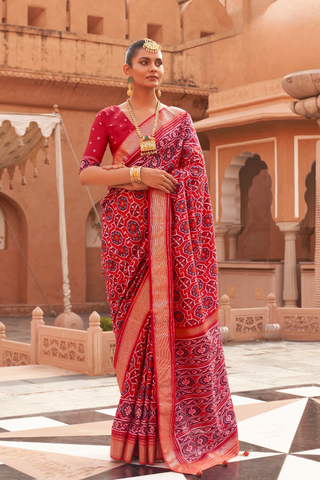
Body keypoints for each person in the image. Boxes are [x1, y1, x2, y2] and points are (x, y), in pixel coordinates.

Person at [79, 38, 239, 475]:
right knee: (135, 334)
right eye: (145, 62)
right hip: (124, 239)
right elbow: (87, 172)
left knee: (163, 323)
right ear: (126, 70)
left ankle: (173, 434)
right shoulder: (108, 118)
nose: (154, 68)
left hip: (172, 240)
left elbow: (194, 178)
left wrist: (159, 182)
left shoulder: (180, 120)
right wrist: (137, 173)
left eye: (159, 62)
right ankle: (137, 437)